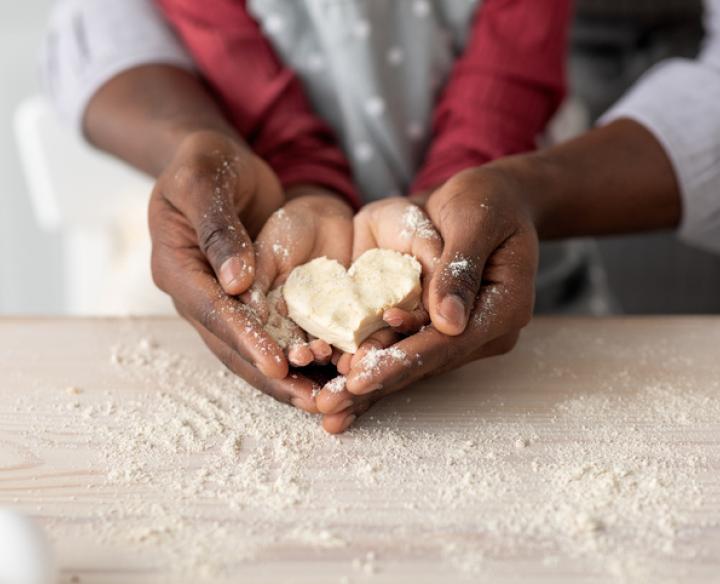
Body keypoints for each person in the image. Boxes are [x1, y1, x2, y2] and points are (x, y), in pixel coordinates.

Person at [44, 0, 575, 433]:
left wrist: (457, 182)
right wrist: (301, 180)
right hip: (249, 215)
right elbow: (214, 39)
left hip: (504, 255)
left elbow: (512, 56)